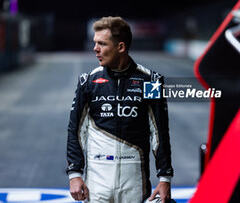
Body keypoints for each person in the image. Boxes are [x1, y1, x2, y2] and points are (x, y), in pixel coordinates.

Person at [66, 16, 174, 203]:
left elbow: (160, 132)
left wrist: (165, 178)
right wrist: (74, 173)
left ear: (121, 47)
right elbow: (76, 131)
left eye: (102, 43)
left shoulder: (151, 81)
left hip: (134, 181)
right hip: (97, 182)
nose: (95, 49)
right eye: (95, 43)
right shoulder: (87, 82)